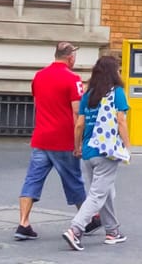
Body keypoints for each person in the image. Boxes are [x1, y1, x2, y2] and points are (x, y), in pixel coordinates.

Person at [17, 42, 89, 241]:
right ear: (70, 57)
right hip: (63, 139)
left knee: (32, 179)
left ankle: (23, 222)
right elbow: (77, 111)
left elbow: (37, 103)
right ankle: (88, 219)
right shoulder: (73, 79)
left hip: (41, 137)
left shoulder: (39, 76)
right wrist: (78, 143)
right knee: (74, 179)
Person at [64, 54, 132, 251]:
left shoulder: (88, 95)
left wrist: (77, 146)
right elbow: (121, 120)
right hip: (106, 152)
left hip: (88, 151)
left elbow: (79, 124)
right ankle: (75, 230)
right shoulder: (117, 93)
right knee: (97, 194)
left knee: (106, 191)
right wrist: (127, 146)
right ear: (113, 73)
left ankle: (112, 231)